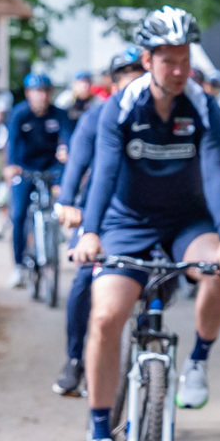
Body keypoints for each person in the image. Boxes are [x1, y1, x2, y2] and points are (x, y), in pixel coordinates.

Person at [72, 7, 220, 441]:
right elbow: (104, 172)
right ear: (147, 60)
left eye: (185, 59)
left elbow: (215, 173)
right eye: (168, 60)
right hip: (126, 221)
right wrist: (90, 231)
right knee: (105, 317)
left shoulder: (205, 107)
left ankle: (198, 362)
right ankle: (100, 439)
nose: (179, 69)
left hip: (188, 221)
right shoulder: (121, 107)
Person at [52, 46, 145, 396]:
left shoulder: (159, 117)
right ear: (114, 84)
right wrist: (67, 203)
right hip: (98, 212)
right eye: (126, 79)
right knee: (84, 278)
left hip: (143, 215)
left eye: (140, 78)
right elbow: (77, 163)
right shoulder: (96, 117)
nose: (134, 86)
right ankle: (75, 358)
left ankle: (150, 345)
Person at [4, 73, 70, 288]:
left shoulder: (59, 114)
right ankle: (18, 266)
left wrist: (66, 152)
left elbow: (68, 139)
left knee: (59, 204)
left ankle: (53, 236)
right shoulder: (19, 114)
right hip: (24, 168)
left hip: (51, 168)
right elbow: (13, 143)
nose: (42, 96)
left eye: (46, 91)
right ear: (28, 94)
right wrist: (11, 166)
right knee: (19, 215)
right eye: (38, 91)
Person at [54, 70, 98, 143]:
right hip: (67, 135)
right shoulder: (65, 99)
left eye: (88, 83)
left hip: (87, 137)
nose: (86, 87)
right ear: (75, 84)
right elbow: (56, 118)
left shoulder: (95, 101)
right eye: (82, 83)